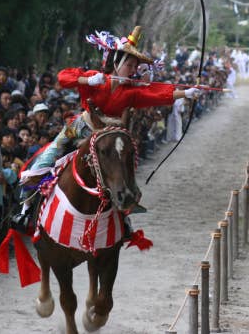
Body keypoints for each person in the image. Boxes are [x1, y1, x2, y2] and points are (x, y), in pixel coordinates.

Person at [14, 26, 202, 231]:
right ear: (117, 63)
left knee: (123, 169)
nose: (133, 70)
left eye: (135, 66)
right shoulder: (96, 78)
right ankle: (25, 210)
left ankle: (125, 216)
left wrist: (186, 93)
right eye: (130, 64)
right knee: (49, 155)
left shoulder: (130, 92)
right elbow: (63, 77)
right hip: (80, 126)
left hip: (110, 134)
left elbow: (156, 94)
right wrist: (87, 80)